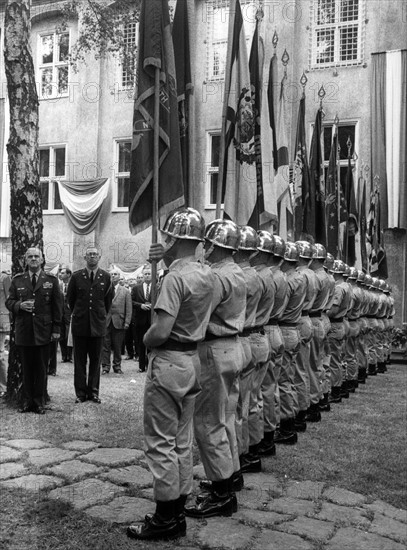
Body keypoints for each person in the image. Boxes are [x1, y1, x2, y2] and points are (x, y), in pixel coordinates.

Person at [127, 207, 216, 541]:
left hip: (170, 360)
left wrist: (146, 340)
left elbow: (161, 329)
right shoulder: (207, 274)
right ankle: (176, 506)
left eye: (167, 236)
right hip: (193, 359)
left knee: (161, 441)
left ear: (175, 239)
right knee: (181, 439)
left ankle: (166, 515)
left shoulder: (176, 278)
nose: (163, 240)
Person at [186, 219, 246, 518]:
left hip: (213, 348)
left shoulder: (216, 277)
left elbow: (197, 315)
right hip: (232, 347)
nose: (204, 249)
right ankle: (230, 475)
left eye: (207, 244)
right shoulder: (236, 272)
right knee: (225, 417)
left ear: (215, 246)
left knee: (208, 422)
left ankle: (221, 491)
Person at [6, 247, 62, 413]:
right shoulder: (17, 280)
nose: (33, 259)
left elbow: (57, 306)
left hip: (44, 331)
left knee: (42, 368)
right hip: (24, 330)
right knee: (27, 369)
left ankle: (39, 402)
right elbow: (9, 302)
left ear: (42, 259)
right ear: (25, 260)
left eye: (36, 256)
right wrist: (19, 305)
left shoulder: (51, 280)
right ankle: (27, 401)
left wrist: (56, 329)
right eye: (30, 256)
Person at [67, 246, 113, 403]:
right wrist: (80, 313)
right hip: (80, 325)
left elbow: (107, 302)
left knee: (95, 361)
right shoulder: (76, 276)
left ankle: (93, 392)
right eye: (89, 255)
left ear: (99, 257)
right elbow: (70, 300)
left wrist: (99, 316)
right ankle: (80, 393)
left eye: (95, 254)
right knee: (79, 362)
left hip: (98, 325)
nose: (92, 257)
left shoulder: (106, 277)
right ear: (85, 258)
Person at [101, 269, 132, 374]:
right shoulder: (104, 290)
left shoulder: (125, 291)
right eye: (112, 274)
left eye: (116, 274)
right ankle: (105, 366)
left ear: (119, 277)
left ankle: (117, 366)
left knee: (118, 346)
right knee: (105, 346)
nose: (113, 276)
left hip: (119, 321)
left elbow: (128, 308)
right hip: (106, 321)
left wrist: (127, 322)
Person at [131, 264, 152, 372]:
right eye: (146, 274)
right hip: (140, 319)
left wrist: (153, 305)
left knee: (151, 344)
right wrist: (141, 306)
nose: (147, 276)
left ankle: (150, 366)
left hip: (152, 320)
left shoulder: (157, 287)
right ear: (143, 276)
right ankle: (141, 366)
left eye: (149, 274)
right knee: (141, 343)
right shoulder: (136, 288)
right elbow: (131, 301)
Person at [0, 268, 11, 397]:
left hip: (1, 319)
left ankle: (3, 386)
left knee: (1, 355)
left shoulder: (4, 278)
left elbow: (10, 300)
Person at [59, 266, 73, 362]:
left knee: (69, 334)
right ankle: (64, 356)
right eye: (61, 273)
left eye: (63, 273)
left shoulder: (73, 285)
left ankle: (70, 355)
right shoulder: (58, 286)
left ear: (68, 275)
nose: (61, 274)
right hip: (60, 313)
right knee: (61, 334)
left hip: (69, 313)